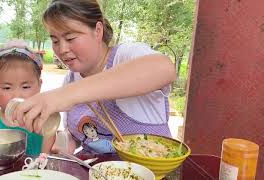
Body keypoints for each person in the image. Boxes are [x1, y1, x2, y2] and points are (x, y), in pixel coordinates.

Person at [12, 0, 176, 154]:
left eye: (70, 38)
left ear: (98, 31)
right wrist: (64, 141)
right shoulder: (70, 79)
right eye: (55, 41)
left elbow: (164, 68)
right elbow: (80, 137)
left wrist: (66, 95)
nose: (62, 49)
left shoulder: (126, 56)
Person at [0, 44, 55, 156]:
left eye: (25, 87)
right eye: (7, 88)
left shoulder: (46, 126)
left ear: (39, 85)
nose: (17, 95)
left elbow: (48, 164)